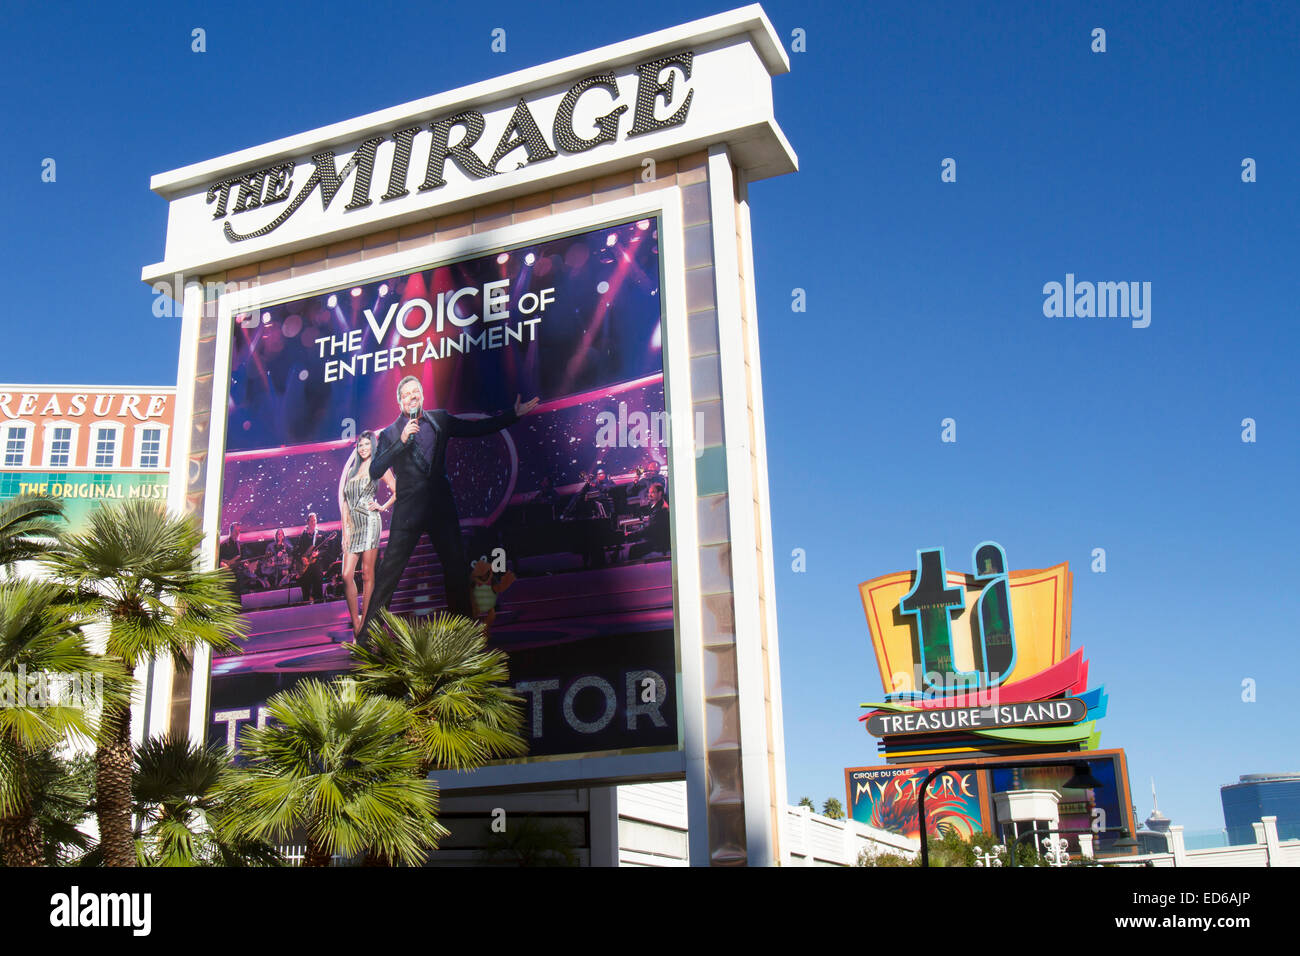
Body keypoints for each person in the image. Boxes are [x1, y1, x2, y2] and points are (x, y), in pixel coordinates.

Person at [357, 375, 539, 641]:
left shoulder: (439, 419)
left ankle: (463, 636)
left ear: (422, 396)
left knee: (456, 569)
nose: (412, 396)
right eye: (407, 394)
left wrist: (512, 415)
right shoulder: (390, 433)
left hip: (441, 507)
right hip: (408, 512)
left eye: (416, 391)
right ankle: (365, 641)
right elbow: (375, 470)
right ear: (399, 401)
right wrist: (402, 441)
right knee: (388, 576)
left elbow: (476, 428)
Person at [337, 431, 395, 635]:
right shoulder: (352, 472)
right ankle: (356, 623)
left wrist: (382, 506)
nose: (362, 448)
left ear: (372, 446)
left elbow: (397, 489)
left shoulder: (377, 466)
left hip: (370, 522)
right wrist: (345, 532)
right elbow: (345, 502)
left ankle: (365, 625)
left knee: (367, 574)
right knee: (346, 575)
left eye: (366, 445)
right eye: (360, 445)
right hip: (353, 527)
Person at [296, 513, 336, 604]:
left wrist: (318, 553)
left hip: (316, 565)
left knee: (318, 587)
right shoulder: (303, 536)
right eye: (312, 520)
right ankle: (306, 605)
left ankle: (319, 606)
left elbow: (325, 549)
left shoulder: (320, 535)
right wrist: (302, 558)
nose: (314, 522)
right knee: (305, 588)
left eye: (315, 520)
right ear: (308, 522)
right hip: (305, 566)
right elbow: (298, 550)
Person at [628, 482, 670, 559]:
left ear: (660, 493)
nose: (649, 495)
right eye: (649, 492)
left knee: (633, 549)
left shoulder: (660, 509)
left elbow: (650, 530)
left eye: (653, 492)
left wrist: (632, 535)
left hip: (659, 542)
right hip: (657, 538)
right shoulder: (658, 506)